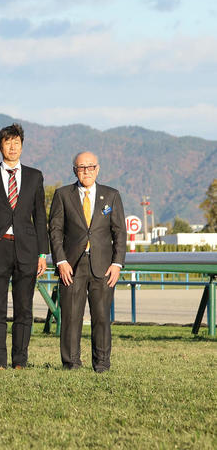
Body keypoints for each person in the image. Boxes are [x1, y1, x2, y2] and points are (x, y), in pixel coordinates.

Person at [0, 123, 50, 370]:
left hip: (27, 249)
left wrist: (42, 253)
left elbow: (40, 216)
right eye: (8, 142)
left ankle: (20, 361)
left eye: (17, 142)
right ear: (0, 147)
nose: (13, 147)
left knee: (24, 309)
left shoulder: (35, 176)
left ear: (22, 146)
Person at [48, 151, 126, 372]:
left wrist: (117, 263)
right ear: (74, 170)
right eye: (82, 167)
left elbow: (119, 232)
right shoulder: (63, 195)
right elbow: (55, 231)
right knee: (71, 317)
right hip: (71, 266)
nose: (86, 171)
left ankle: (101, 363)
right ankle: (71, 362)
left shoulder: (111, 196)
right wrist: (60, 261)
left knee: (101, 317)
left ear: (98, 169)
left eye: (91, 167)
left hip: (103, 266)